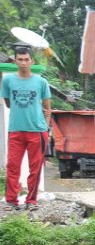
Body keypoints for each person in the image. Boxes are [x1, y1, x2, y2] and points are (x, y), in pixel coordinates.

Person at [2, 46, 51, 210]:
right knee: (12, 166)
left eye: (26, 59)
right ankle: (11, 201)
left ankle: (31, 201)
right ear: (15, 60)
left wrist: (46, 128)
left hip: (37, 131)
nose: (23, 63)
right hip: (16, 129)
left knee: (35, 168)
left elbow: (47, 108)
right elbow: (8, 102)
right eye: (20, 59)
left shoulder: (41, 82)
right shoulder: (8, 80)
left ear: (32, 61)